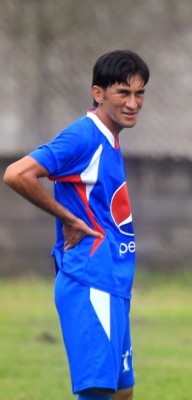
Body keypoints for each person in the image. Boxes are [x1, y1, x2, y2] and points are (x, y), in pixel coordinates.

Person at [3, 50, 149, 400]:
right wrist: (67, 217)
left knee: (122, 391)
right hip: (90, 281)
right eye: (123, 93)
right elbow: (16, 174)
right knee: (98, 393)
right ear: (98, 94)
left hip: (113, 281)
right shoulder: (83, 136)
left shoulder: (110, 137)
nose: (133, 103)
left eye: (139, 93)